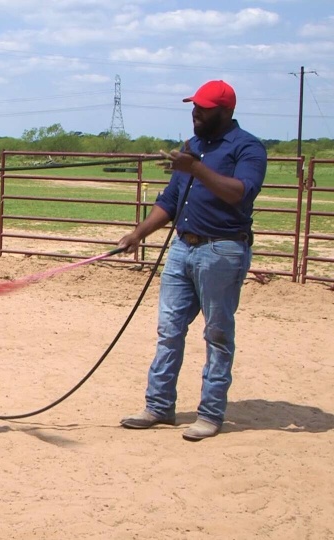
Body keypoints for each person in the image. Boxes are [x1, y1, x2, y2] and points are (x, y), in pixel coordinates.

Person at [117, 80, 267, 441]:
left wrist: (196, 168)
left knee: (217, 334)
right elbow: (170, 200)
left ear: (225, 111)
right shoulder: (193, 147)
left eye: (203, 108)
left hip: (222, 251)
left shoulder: (247, 148)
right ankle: (159, 406)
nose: (195, 113)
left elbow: (240, 193)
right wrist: (138, 234)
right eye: (194, 106)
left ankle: (210, 414)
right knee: (169, 330)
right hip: (182, 247)